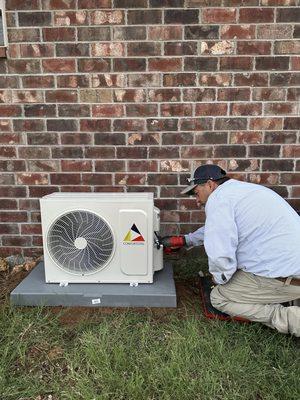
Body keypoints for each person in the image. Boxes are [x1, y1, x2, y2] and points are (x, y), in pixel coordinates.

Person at [161, 164, 300, 336]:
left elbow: (221, 256)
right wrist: (185, 240)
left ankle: (289, 318)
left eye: (196, 193)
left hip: (285, 277)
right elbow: (217, 229)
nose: (197, 200)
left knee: (220, 297)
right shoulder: (242, 192)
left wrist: (219, 278)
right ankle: (289, 297)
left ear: (210, 185)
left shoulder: (218, 200)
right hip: (292, 267)